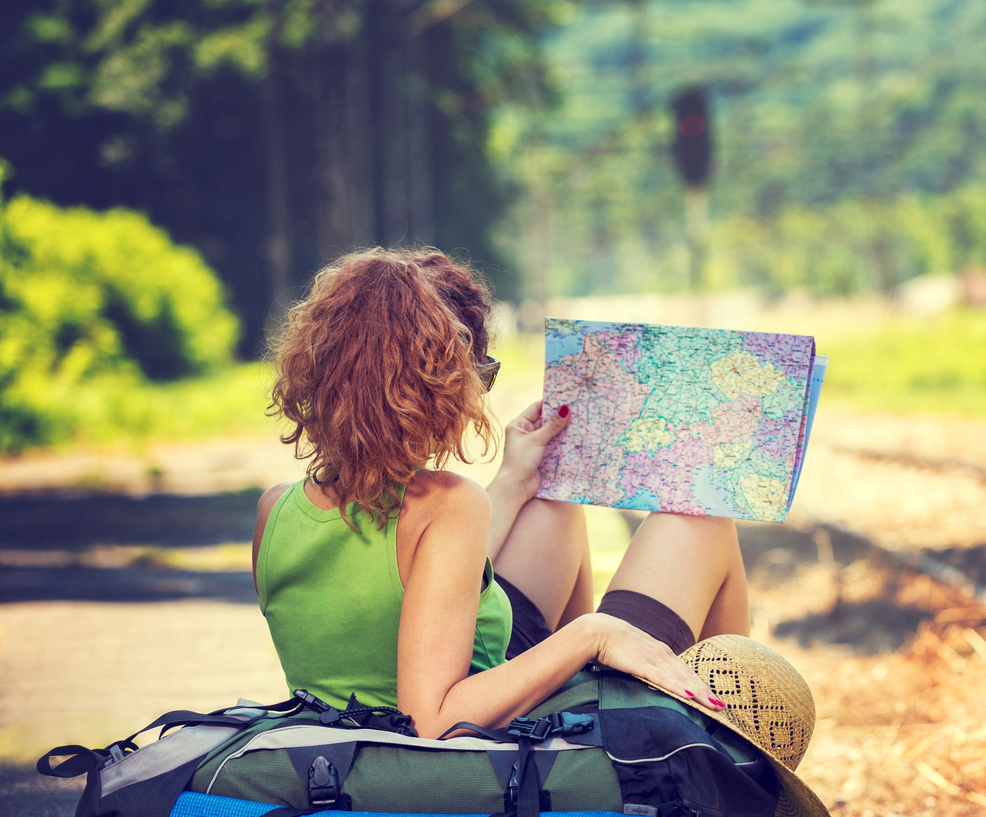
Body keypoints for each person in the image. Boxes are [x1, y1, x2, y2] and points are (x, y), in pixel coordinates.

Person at [252, 246, 751, 738]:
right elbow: (428, 721)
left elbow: (391, 590)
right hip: (475, 747)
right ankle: (730, 762)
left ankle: (602, 698)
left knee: (552, 500)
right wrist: (592, 635)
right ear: (441, 385)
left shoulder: (274, 511)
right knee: (703, 522)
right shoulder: (448, 503)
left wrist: (512, 482)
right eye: (479, 375)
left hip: (357, 743)